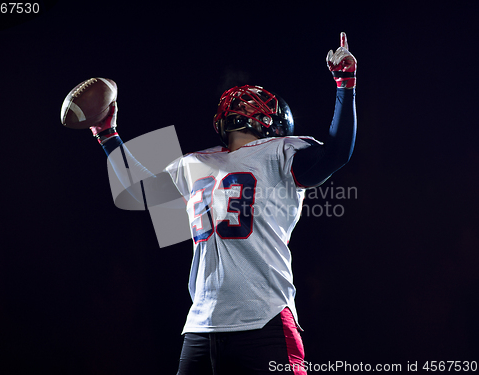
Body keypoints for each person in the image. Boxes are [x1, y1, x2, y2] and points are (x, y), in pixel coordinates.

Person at [87, 32, 357, 374]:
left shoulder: (279, 152)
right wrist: (107, 133)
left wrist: (345, 85)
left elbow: (336, 154)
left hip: (265, 318)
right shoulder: (194, 162)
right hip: (202, 323)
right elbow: (142, 191)